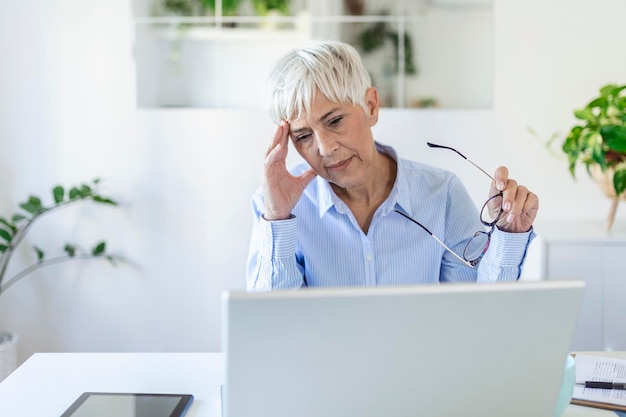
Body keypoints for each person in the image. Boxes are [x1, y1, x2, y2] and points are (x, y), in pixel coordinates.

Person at [246, 40, 538, 292]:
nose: (325, 148)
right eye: (303, 136)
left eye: (335, 121)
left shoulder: (442, 193)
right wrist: (277, 220)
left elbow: (482, 313)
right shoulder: (277, 208)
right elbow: (273, 328)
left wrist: (508, 235)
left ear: (371, 107)